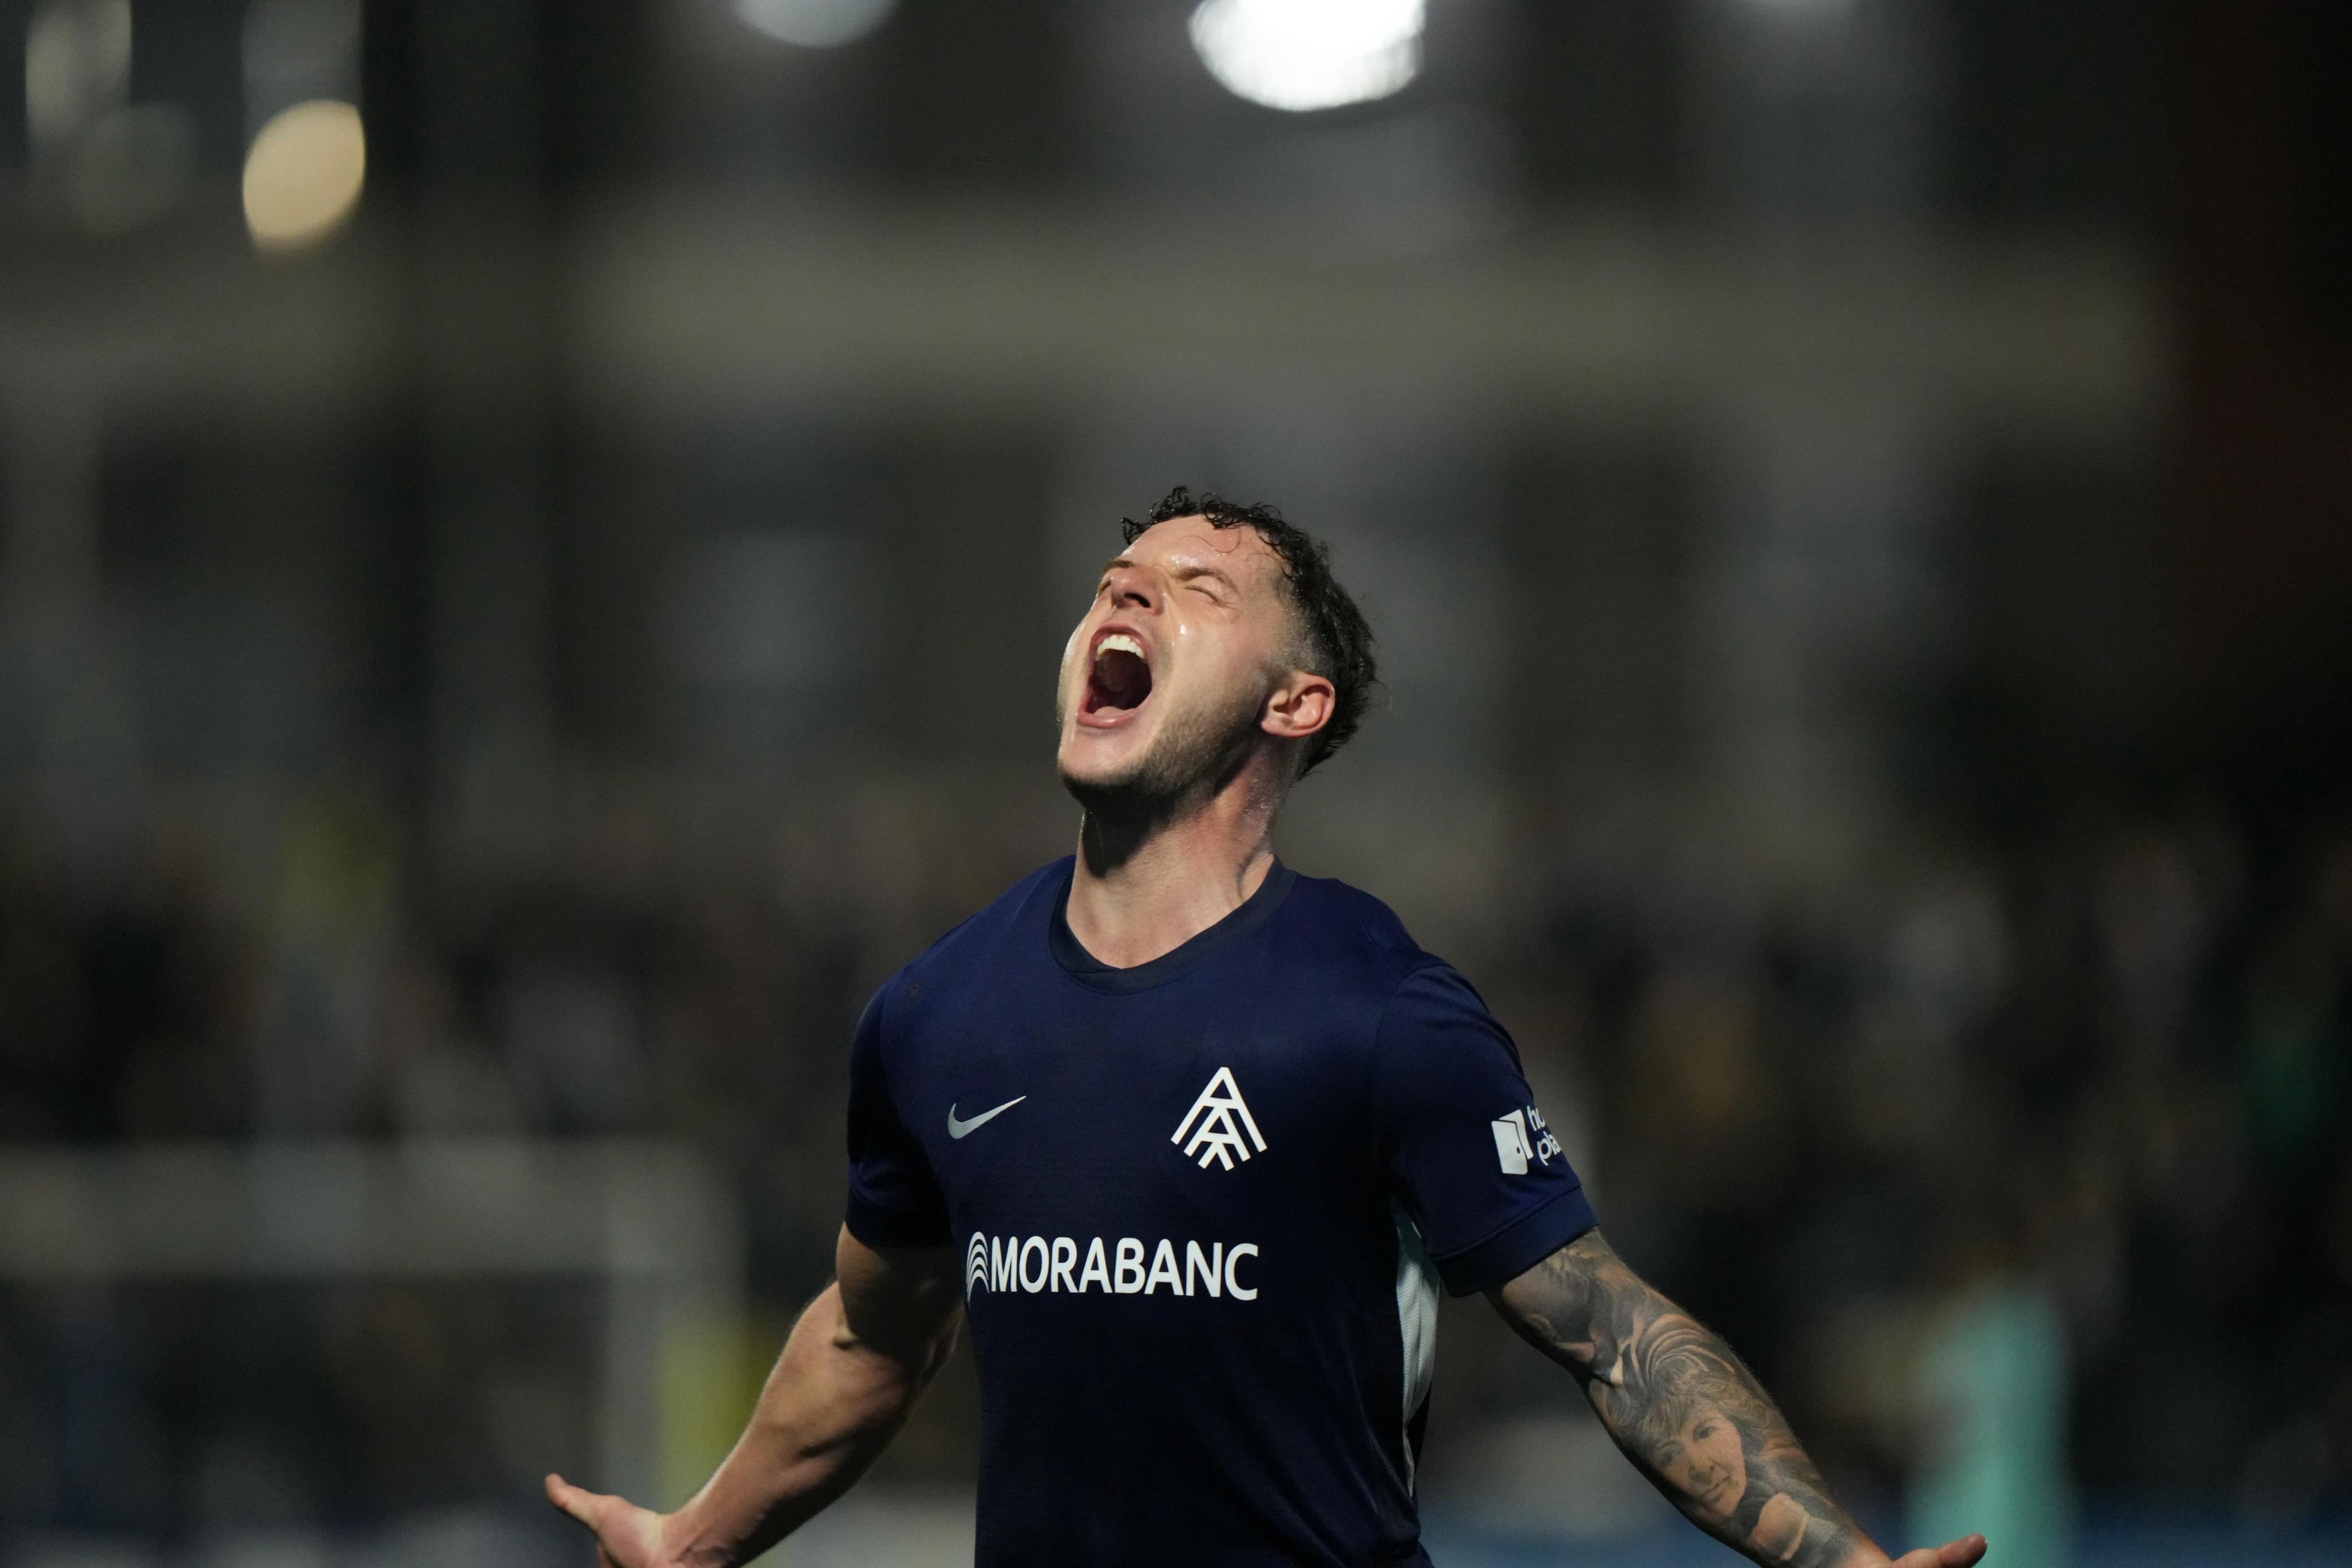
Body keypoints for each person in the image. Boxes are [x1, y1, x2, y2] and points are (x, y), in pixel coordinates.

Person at [547, 488, 1988, 1568]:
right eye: (1115, 581)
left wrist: (1838, 1557)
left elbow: (1608, 1329)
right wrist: (693, 1544)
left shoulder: (1376, 1010)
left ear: (1295, 702)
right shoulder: (934, 1015)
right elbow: (872, 1336)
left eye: (1194, 588)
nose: (1128, 599)